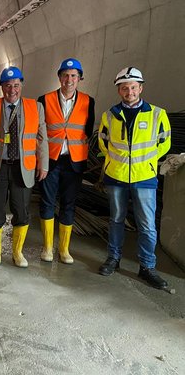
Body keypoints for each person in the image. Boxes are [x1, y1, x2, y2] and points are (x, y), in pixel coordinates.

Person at [98, 67, 171, 290]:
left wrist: (145, 163)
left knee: (147, 225)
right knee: (116, 220)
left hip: (144, 178)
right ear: (119, 91)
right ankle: (114, 258)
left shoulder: (157, 114)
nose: (129, 91)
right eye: (124, 88)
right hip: (116, 176)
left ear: (140, 88)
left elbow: (164, 143)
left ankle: (147, 267)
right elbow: (103, 141)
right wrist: (116, 162)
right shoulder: (110, 115)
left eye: (132, 87)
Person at [0, 66, 48, 267]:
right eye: (7, 85)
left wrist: (44, 164)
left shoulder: (35, 107)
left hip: (23, 167)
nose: (12, 90)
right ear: (1, 87)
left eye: (16, 85)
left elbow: (42, 139)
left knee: (21, 210)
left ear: (21, 85)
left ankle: (17, 252)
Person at [37, 58, 95, 264]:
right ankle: (47, 248)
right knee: (47, 202)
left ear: (79, 78)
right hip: (51, 161)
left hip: (74, 161)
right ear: (59, 77)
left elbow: (87, 131)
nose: (69, 80)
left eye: (73, 76)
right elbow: (40, 132)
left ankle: (64, 250)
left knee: (69, 204)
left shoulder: (89, 101)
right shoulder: (44, 100)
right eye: (65, 75)